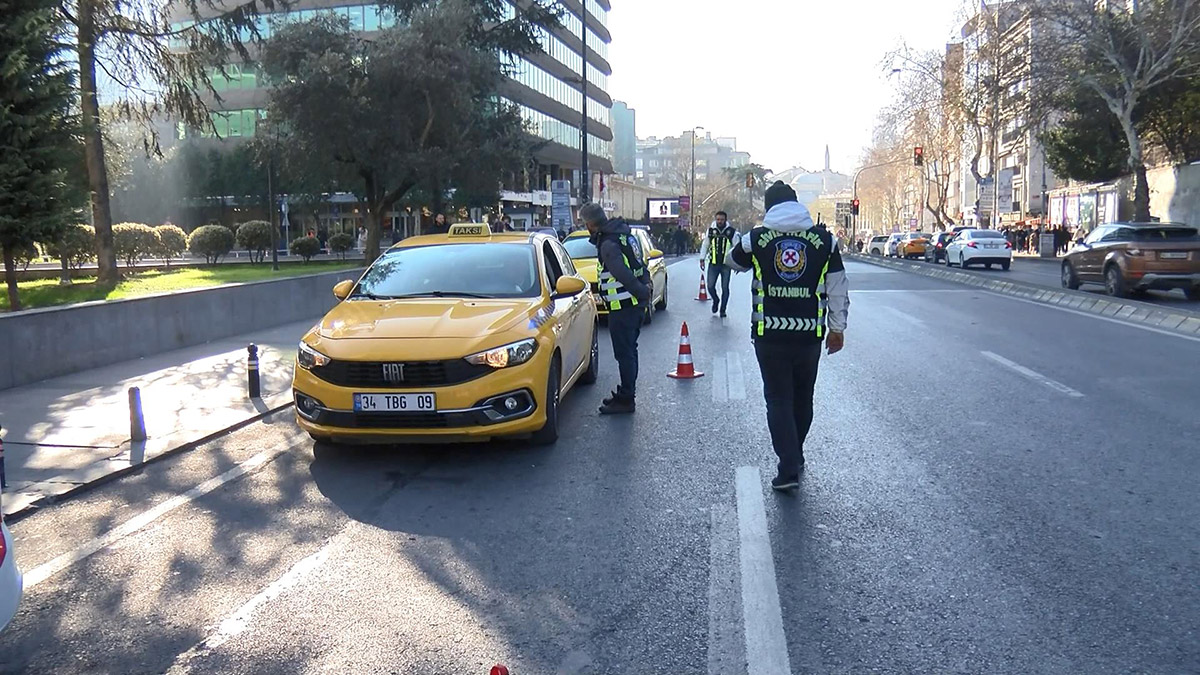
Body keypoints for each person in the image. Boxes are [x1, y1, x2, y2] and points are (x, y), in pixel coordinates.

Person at [726, 181, 849, 491]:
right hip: (809, 336)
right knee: (803, 397)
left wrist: (747, 239)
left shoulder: (756, 239)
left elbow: (731, 260)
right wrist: (837, 328)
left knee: (778, 399)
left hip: (770, 334)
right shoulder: (825, 241)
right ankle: (796, 453)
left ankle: (788, 466)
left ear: (769, 208)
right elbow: (837, 287)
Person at [581, 202, 651, 415]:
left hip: (624, 306)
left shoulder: (608, 243)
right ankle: (625, 392)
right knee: (630, 351)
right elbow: (640, 264)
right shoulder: (624, 236)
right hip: (633, 305)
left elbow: (622, 273)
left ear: (590, 224)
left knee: (624, 353)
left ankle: (627, 399)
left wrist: (641, 292)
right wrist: (645, 291)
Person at [699, 211, 738, 317]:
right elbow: (705, 245)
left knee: (725, 288)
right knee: (710, 286)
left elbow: (737, 247)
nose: (720, 221)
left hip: (726, 265)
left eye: (722, 219)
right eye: (718, 219)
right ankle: (716, 300)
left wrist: (737, 264)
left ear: (725, 220)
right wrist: (702, 258)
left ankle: (723, 310)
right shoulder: (711, 231)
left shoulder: (731, 232)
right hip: (713, 264)